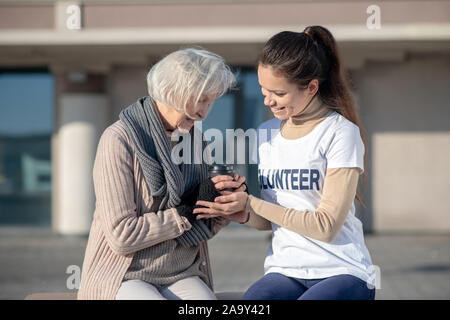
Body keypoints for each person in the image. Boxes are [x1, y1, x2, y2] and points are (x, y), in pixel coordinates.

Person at [193, 26, 377, 300]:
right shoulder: (266, 134)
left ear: (312, 87)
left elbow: (325, 227)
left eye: (278, 93)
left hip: (342, 271)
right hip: (284, 270)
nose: (268, 100)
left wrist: (252, 203)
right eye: (263, 90)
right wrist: (240, 211)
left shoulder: (340, 133)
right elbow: (270, 221)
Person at [77, 48, 246, 300]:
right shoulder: (119, 139)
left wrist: (220, 206)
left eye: (210, 102)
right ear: (172, 91)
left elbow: (199, 226)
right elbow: (122, 236)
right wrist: (184, 211)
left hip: (181, 272)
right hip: (124, 274)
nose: (205, 113)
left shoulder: (196, 143)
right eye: (201, 100)